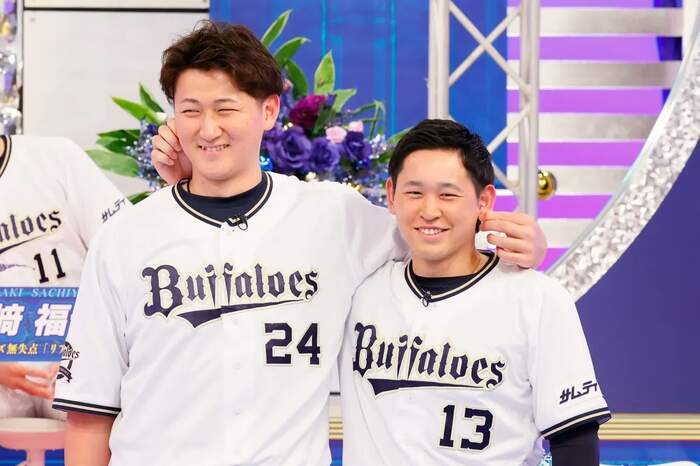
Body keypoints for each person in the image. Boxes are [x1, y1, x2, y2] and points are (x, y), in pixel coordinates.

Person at [53, 21, 546, 465]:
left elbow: (431, 233)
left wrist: (504, 235)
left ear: (269, 111)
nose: (208, 128)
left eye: (226, 109)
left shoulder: (333, 216)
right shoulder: (126, 237)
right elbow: (89, 413)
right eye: (190, 111)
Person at [340, 119, 610, 466]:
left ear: (484, 200)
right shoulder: (359, 290)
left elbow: (575, 440)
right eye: (414, 193)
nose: (429, 210)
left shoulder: (536, 298)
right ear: (391, 195)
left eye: (448, 194)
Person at [0, 134, 128, 419]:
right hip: (4, 377)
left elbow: (126, 253)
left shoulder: (55, 157)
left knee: (91, 405)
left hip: (77, 353)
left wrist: (89, 351)